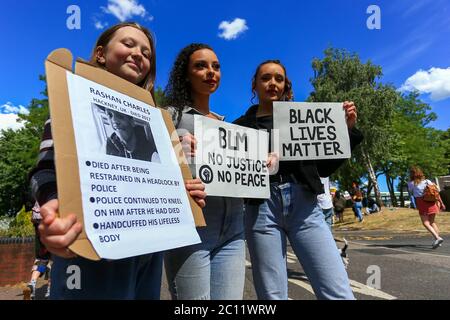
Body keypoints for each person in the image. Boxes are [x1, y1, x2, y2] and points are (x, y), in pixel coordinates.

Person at [28, 22, 206, 299]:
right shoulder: (72, 101)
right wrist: (52, 205)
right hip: (91, 251)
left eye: (147, 53)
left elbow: (158, 183)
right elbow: (43, 170)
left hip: (149, 252)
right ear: (100, 54)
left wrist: (184, 192)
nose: (139, 55)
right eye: (128, 44)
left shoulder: (158, 123)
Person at [234, 59, 363, 300]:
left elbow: (323, 169)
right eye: (266, 78)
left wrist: (346, 131)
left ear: (285, 86)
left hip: (305, 207)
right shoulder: (239, 128)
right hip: (261, 209)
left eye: (279, 79)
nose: (272, 83)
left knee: (337, 291)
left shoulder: (303, 120)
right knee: (272, 295)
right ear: (255, 85)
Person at [162, 43, 245, 300]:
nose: (211, 72)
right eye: (201, 66)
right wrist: (177, 149)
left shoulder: (227, 125)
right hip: (192, 229)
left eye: (216, 67)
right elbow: (149, 164)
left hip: (234, 231)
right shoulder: (169, 116)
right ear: (186, 74)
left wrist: (263, 161)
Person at [408, 166, 446, 249]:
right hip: (432, 202)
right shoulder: (427, 181)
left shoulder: (411, 184)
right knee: (432, 222)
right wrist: (441, 203)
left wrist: (414, 204)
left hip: (422, 203)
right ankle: (438, 242)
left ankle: (437, 238)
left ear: (412, 174)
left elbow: (411, 195)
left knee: (425, 223)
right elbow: (436, 193)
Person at [25, 202, 51, 300]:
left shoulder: (37, 192)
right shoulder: (53, 192)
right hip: (51, 227)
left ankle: (32, 283)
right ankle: (49, 290)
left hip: (39, 229)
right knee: (53, 261)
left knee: (41, 259)